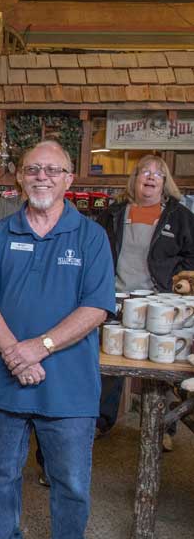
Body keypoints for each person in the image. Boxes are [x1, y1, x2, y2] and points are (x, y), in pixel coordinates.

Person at [0, 140, 115, 539]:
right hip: (4, 379)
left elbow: (97, 307)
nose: (42, 178)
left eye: (53, 171)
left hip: (68, 384)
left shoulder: (91, 237)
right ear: (19, 176)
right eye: (33, 169)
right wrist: (17, 355)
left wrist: (40, 347)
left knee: (69, 480)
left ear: (69, 179)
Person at [95, 155, 194, 435]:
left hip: (159, 302)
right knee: (109, 361)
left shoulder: (180, 217)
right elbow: (97, 251)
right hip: (115, 298)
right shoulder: (114, 213)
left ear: (165, 182)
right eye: (144, 172)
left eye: (157, 174)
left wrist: (176, 282)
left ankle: (164, 429)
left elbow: (192, 257)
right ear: (135, 179)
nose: (150, 177)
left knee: (161, 368)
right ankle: (101, 421)